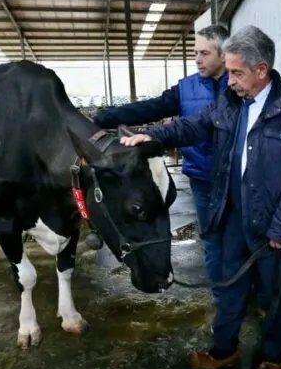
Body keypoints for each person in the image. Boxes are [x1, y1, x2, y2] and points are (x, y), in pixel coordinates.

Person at [119, 25, 281, 369]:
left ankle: (272, 356)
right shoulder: (230, 101)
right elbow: (193, 126)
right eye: (228, 71)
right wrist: (152, 136)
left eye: (237, 73)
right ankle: (224, 348)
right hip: (232, 214)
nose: (230, 80)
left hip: (273, 224)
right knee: (229, 287)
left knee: (274, 295)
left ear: (262, 70)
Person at [93, 24, 229, 291]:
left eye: (204, 53)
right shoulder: (186, 88)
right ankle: (222, 297)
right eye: (195, 52)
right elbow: (151, 107)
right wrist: (104, 117)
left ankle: (247, 289)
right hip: (202, 178)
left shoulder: (238, 84)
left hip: (236, 178)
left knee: (241, 237)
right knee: (212, 240)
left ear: (223, 55)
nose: (197, 59)